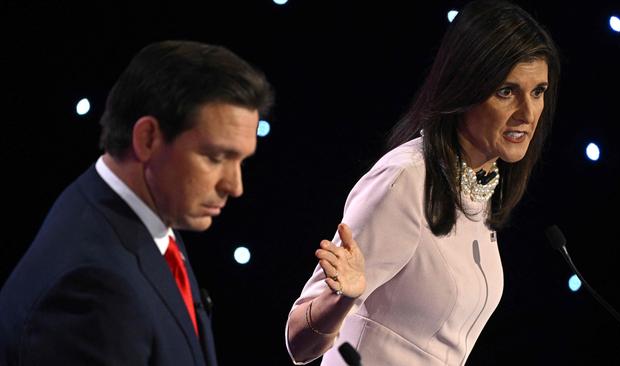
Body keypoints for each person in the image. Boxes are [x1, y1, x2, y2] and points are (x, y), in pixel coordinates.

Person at [285, 0, 560, 365]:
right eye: (506, 91)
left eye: (538, 92)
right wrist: (342, 299)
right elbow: (298, 343)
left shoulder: (479, 188)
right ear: (465, 89)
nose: (527, 114)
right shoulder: (405, 181)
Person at [0, 40, 273, 365]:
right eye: (215, 157)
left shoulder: (139, 210)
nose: (235, 186)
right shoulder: (95, 290)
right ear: (147, 138)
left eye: (241, 161)